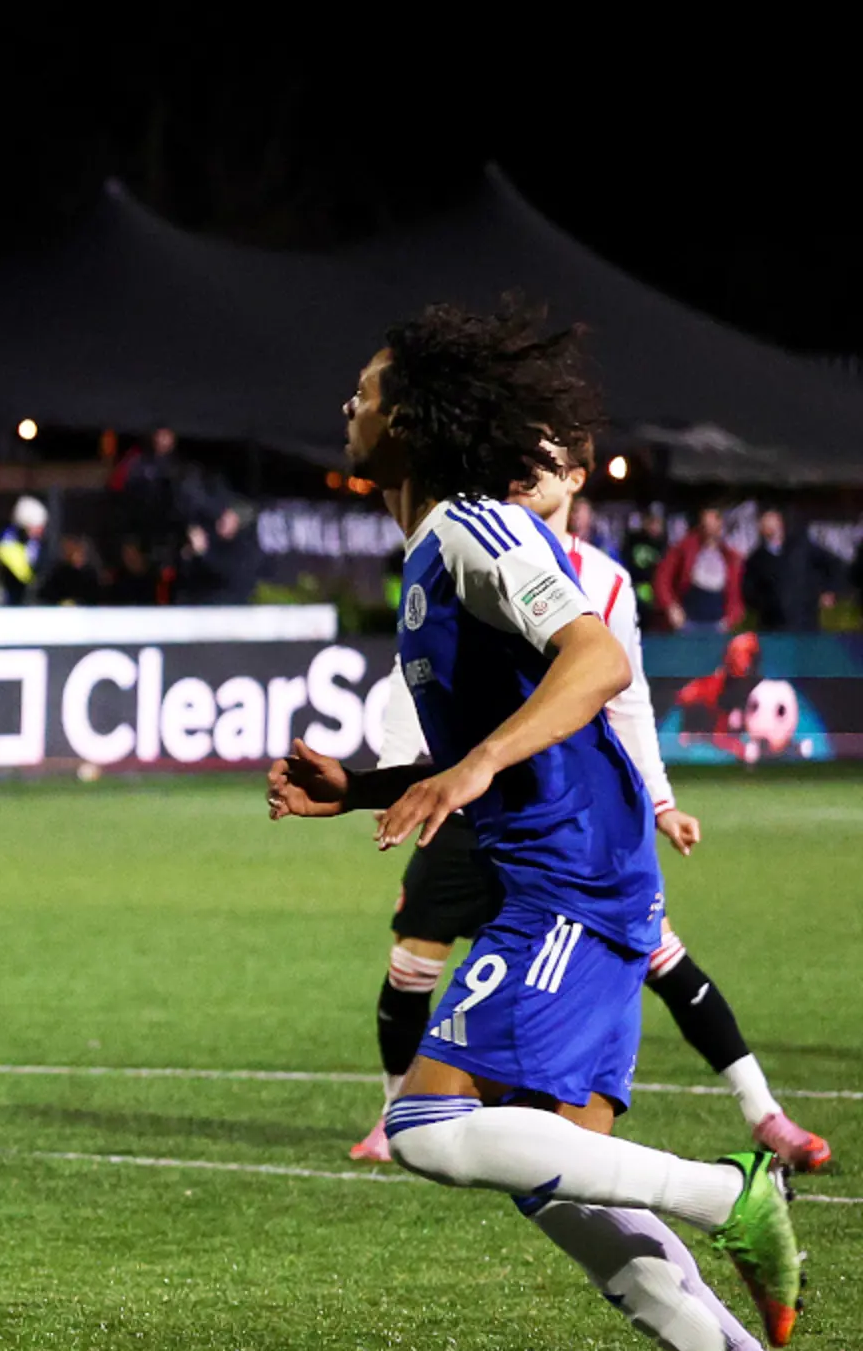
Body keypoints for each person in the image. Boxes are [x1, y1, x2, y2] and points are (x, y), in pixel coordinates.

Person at [266, 306, 823, 1351]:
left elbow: (598, 661)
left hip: (573, 879)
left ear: (413, 421)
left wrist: (470, 770)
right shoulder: (431, 554)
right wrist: (364, 784)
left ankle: (732, 1191)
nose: (350, 410)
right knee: (549, 1175)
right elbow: (513, 722)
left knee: (423, 1129)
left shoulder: (476, 527)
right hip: (560, 870)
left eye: (367, 392)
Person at [343, 444, 829, 1177]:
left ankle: (761, 1116)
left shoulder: (584, 572)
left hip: (563, 822)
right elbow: (423, 689)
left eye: (551, 453)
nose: (528, 463)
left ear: (575, 477)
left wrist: (660, 802)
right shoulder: (458, 543)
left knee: (659, 963)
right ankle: (394, 1107)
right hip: (479, 808)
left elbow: (617, 690)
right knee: (414, 969)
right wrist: (380, 784)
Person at [654, 507, 744, 634]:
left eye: (714, 522)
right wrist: (671, 607)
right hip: (687, 622)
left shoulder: (730, 556)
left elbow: (736, 593)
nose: (710, 527)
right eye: (706, 523)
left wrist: (731, 619)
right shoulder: (684, 547)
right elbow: (662, 578)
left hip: (718, 624)